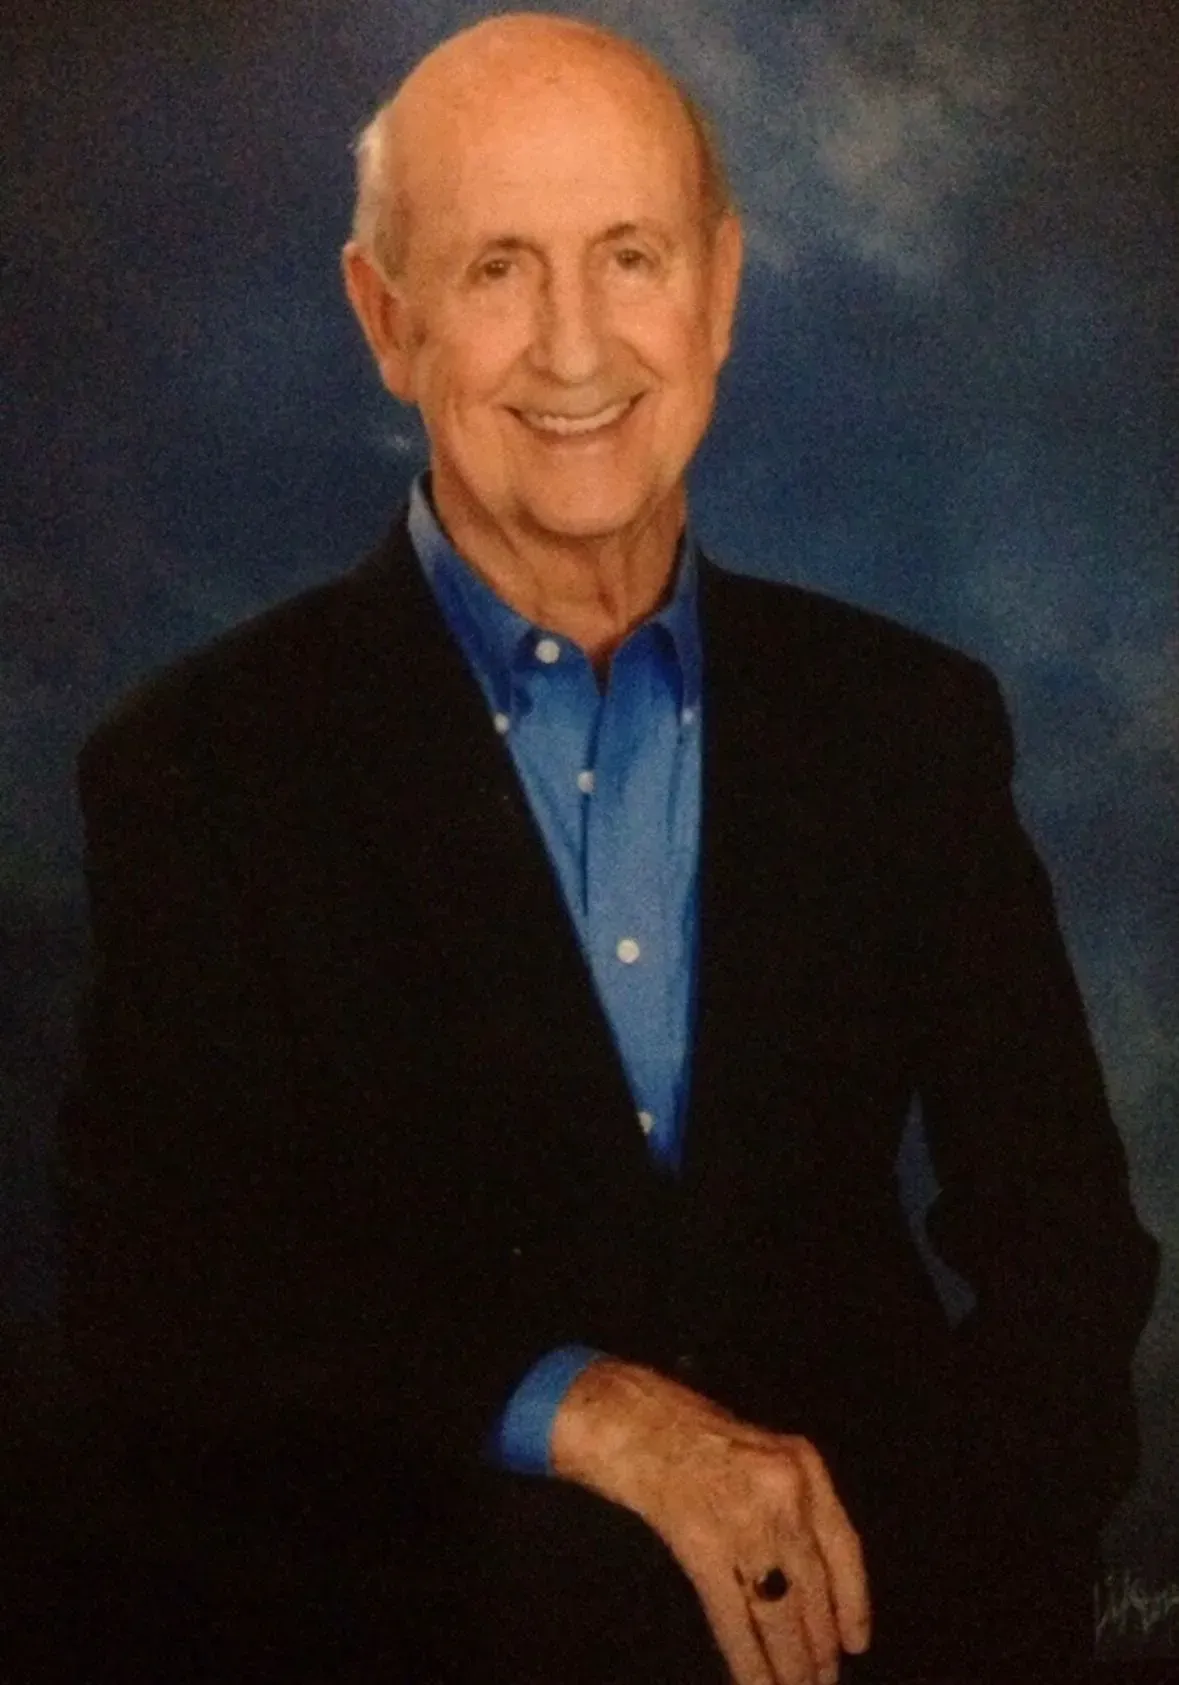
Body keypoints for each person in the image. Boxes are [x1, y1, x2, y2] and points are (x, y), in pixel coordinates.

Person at [11, 12, 1157, 1684]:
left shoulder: (908, 726)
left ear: (721, 287)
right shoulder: (201, 770)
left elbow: (1065, 1250)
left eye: (628, 257)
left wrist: (974, 1597)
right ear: (382, 318)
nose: (572, 348)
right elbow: (164, 1306)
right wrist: (588, 1414)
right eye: (493, 270)